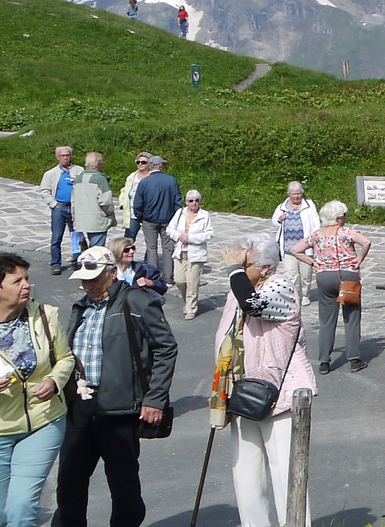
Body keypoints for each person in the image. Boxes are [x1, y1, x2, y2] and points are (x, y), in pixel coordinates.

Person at [57, 246, 175, 527]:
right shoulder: (82, 307)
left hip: (120, 408)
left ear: (112, 274)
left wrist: (155, 399)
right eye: (84, 280)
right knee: (69, 482)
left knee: (123, 486)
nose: (88, 285)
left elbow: (166, 348)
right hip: (81, 405)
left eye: (94, 279)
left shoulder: (137, 301)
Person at [214, 236, 315, 527]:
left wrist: (234, 271)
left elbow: (253, 305)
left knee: (286, 474)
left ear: (266, 267)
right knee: (246, 476)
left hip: (280, 395)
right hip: (243, 394)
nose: (236, 270)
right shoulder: (239, 290)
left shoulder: (281, 287)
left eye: (244, 265)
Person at [0, 253, 74, 527]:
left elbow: (66, 359)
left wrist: (53, 381)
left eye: (27, 278)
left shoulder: (44, 315)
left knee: (22, 508)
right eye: (17, 281)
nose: (26, 285)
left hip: (43, 422)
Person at [291, 201, 371, 374]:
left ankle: (324, 361)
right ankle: (354, 358)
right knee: (351, 317)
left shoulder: (317, 235)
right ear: (338, 217)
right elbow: (366, 242)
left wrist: (313, 262)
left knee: (326, 319)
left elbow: (295, 249)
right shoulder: (346, 232)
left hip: (324, 275)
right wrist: (359, 259)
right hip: (347, 275)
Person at [165, 192, 213, 321]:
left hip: (196, 253)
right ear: (186, 202)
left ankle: (191, 308)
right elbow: (170, 229)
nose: (194, 203)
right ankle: (187, 301)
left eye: (197, 200)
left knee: (192, 282)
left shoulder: (204, 215)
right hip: (180, 252)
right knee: (180, 280)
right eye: (191, 200)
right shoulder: (180, 213)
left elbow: (209, 234)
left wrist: (191, 238)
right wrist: (179, 236)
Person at [131, 157, 180, 283]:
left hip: (149, 220)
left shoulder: (144, 182)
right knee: (168, 249)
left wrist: (140, 216)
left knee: (151, 248)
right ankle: (168, 277)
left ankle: (154, 276)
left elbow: (137, 203)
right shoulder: (171, 181)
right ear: (160, 166)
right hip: (168, 220)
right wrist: (176, 218)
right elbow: (177, 202)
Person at [269, 184, 320, 305]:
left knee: (305, 274)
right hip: (288, 248)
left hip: (305, 248)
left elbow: (316, 224)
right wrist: (279, 220)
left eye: (299, 193)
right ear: (289, 194)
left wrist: (312, 240)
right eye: (294, 194)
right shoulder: (282, 207)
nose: (296, 196)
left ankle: (305, 295)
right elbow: (275, 222)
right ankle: (291, 296)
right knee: (289, 274)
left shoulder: (309, 206)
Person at [38, 150, 76, 275]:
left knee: (77, 236)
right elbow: (44, 190)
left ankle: (77, 260)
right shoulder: (51, 173)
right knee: (56, 237)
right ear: (58, 157)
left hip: (75, 208)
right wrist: (53, 204)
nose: (65, 158)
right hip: (60, 208)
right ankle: (55, 263)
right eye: (62, 155)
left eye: (67, 155)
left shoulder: (79, 171)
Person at [68, 154, 114, 253]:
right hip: (97, 220)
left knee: (90, 248)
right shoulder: (100, 179)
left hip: (82, 218)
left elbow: (73, 200)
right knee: (97, 250)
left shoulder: (78, 179)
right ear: (99, 164)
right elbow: (106, 201)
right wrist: (109, 213)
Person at [117, 157, 152, 246]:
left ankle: (149, 259)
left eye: (143, 162)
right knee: (128, 239)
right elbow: (124, 190)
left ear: (149, 164)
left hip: (148, 213)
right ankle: (126, 258)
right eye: (138, 162)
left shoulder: (152, 177)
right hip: (132, 212)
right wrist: (123, 202)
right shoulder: (132, 176)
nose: (140, 164)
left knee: (150, 239)